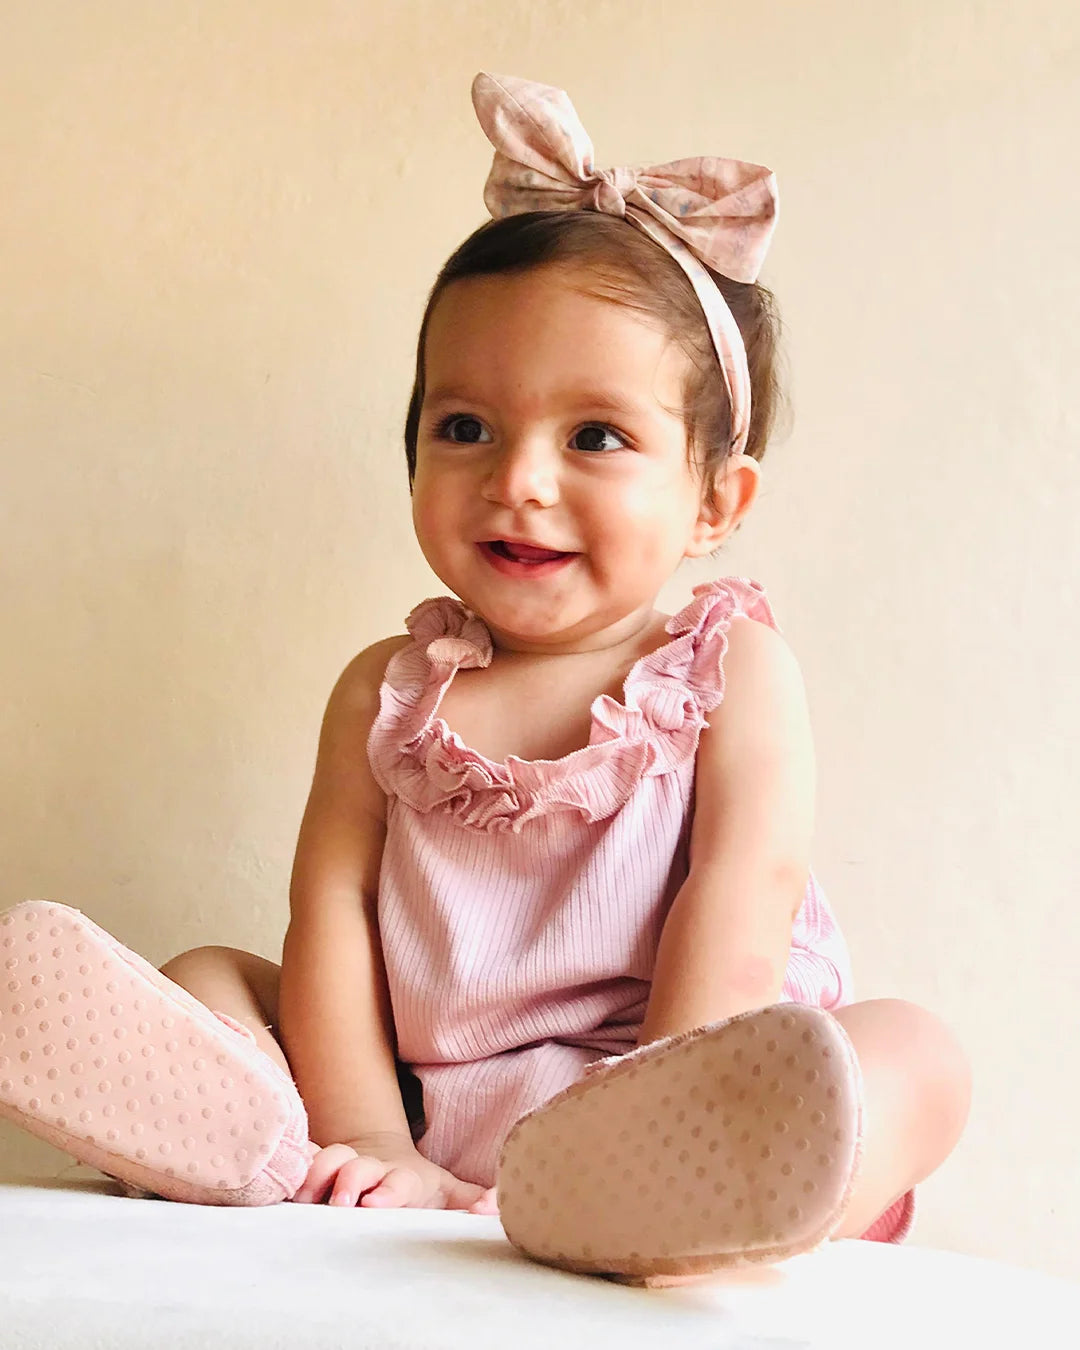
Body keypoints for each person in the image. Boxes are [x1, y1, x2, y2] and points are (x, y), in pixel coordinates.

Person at [0, 73, 970, 1281]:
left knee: (919, 1055)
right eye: (464, 427)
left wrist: (660, 1117)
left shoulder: (731, 675)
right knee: (210, 977)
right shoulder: (386, 694)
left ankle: (656, 1204)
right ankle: (252, 1148)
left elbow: (745, 897)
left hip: (683, 1109)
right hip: (424, 1115)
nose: (517, 479)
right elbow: (335, 921)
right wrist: (368, 1140)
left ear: (716, 499)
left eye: (595, 436)